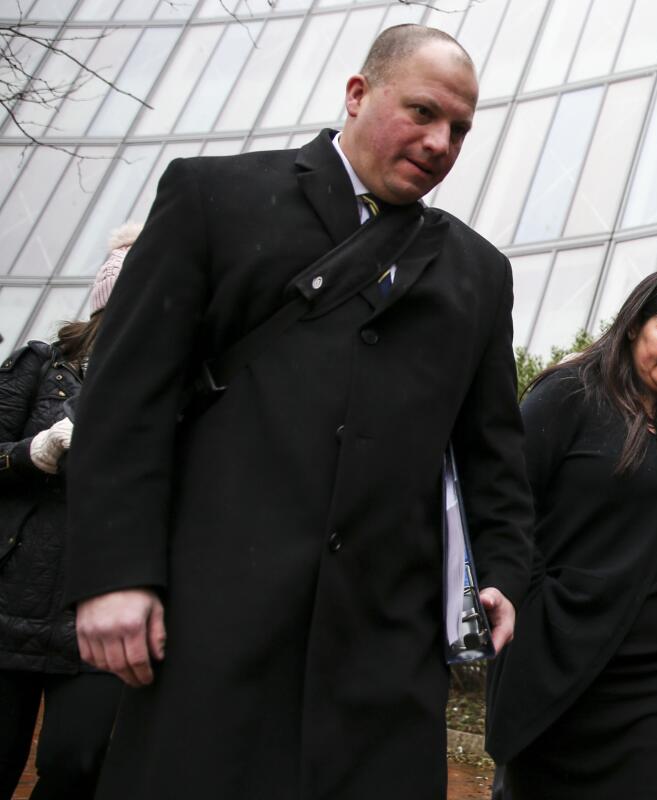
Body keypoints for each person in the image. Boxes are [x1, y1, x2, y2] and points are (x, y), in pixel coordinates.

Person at [62, 25, 533, 800]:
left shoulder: (480, 272)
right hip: (214, 623)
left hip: (385, 651)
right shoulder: (213, 197)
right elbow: (126, 399)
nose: (441, 141)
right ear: (357, 93)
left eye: (460, 128)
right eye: (422, 111)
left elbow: (492, 452)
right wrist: (115, 574)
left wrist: (505, 573)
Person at [486, 268, 657, 799]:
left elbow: (651, 536)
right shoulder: (568, 393)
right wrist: (544, 602)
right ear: (636, 324)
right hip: (569, 666)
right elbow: (505, 502)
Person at [0, 223, 138, 799]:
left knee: (79, 763)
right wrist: (35, 454)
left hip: (102, 608)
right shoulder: (39, 366)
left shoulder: (172, 389)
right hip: (12, 601)